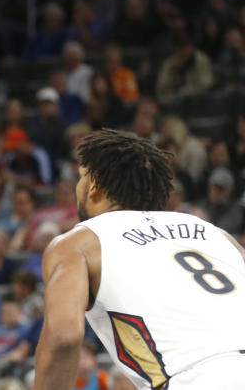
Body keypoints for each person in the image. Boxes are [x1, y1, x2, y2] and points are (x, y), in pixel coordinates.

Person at [35, 129, 245, 389]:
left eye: (81, 178)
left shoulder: (79, 243)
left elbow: (63, 336)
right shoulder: (218, 234)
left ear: (95, 185)